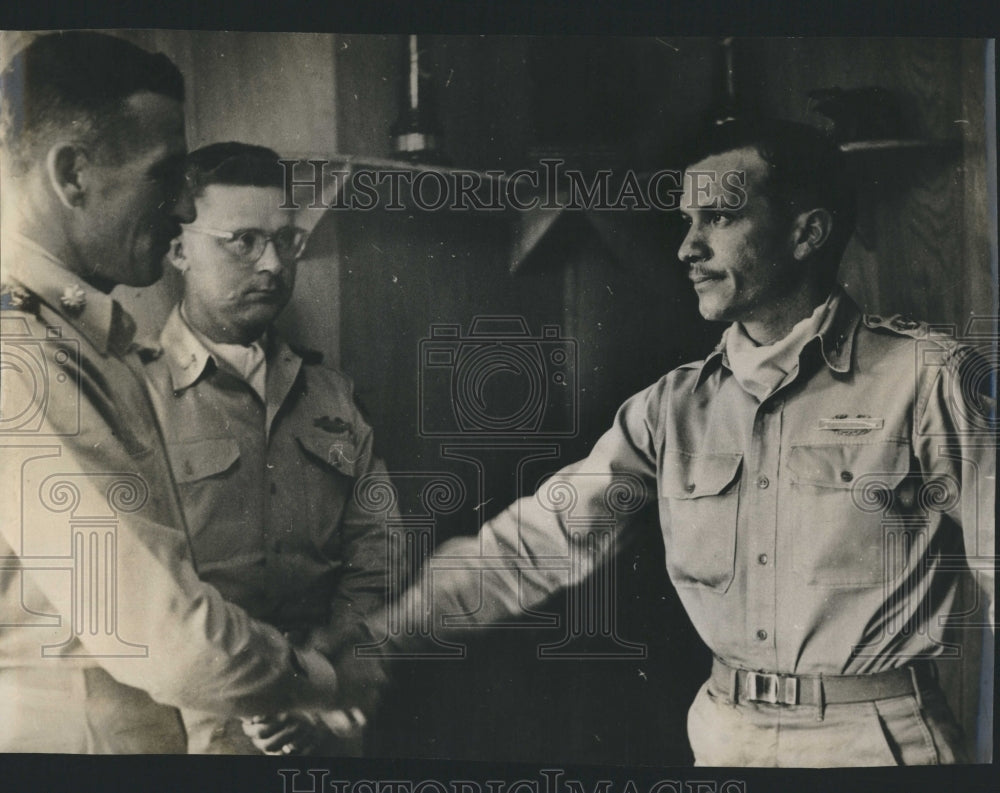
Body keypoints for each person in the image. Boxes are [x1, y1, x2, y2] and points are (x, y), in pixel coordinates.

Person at [342, 118, 995, 766]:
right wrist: (379, 640)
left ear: (807, 233)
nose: (687, 247)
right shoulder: (670, 408)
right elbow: (531, 545)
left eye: (720, 218)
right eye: (687, 221)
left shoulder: (927, 380)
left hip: (874, 743)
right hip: (724, 732)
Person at [0, 32, 347, 753]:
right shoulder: (23, 359)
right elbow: (157, 628)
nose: (185, 211)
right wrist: (311, 677)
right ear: (73, 176)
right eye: (165, 177)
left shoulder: (82, 339)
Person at [142, 141, 390, 755]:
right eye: (243, 241)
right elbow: (149, 593)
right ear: (179, 250)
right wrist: (278, 689)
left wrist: (331, 676)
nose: (274, 265)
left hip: (330, 720)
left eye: (286, 241)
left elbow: (378, 552)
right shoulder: (133, 396)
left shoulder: (332, 395)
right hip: (196, 732)